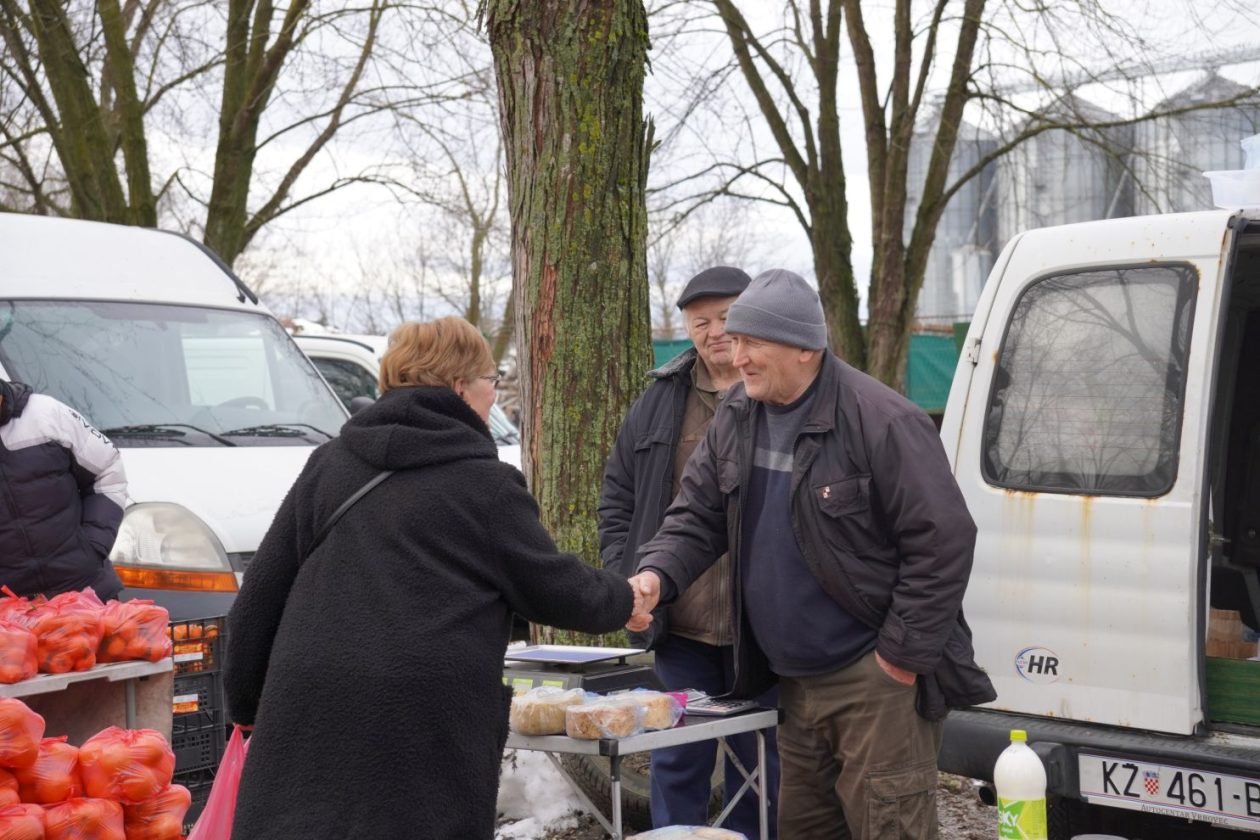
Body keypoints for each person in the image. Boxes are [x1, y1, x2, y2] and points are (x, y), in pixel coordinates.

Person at [224, 316, 641, 839]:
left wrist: (245, 705)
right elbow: (556, 589)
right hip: (422, 721)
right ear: (460, 384)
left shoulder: (329, 465)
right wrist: (626, 597)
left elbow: (257, 601)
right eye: (491, 380)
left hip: (309, 709)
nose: (495, 395)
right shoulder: (485, 485)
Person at [626, 270, 996, 840]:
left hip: (875, 682)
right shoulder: (738, 414)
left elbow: (943, 542)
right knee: (803, 830)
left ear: (804, 348)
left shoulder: (883, 420)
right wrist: (655, 575)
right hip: (792, 683)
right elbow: (696, 516)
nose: (737, 354)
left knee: (888, 828)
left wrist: (899, 656)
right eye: (735, 339)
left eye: (753, 342)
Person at [599, 266, 779, 837]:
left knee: (767, 764)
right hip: (683, 626)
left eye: (728, 317)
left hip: (767, 627)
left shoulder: (779, 393)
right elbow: (618, 499)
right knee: (677, 759)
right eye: (700, 322)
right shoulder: (657, 402)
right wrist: (626, 573)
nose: (715, 332)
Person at [0, 378, 127, 601]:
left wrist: (94, 545)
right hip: (11, 618)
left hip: (89, 595)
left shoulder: (45, 414)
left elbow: (108, 471)